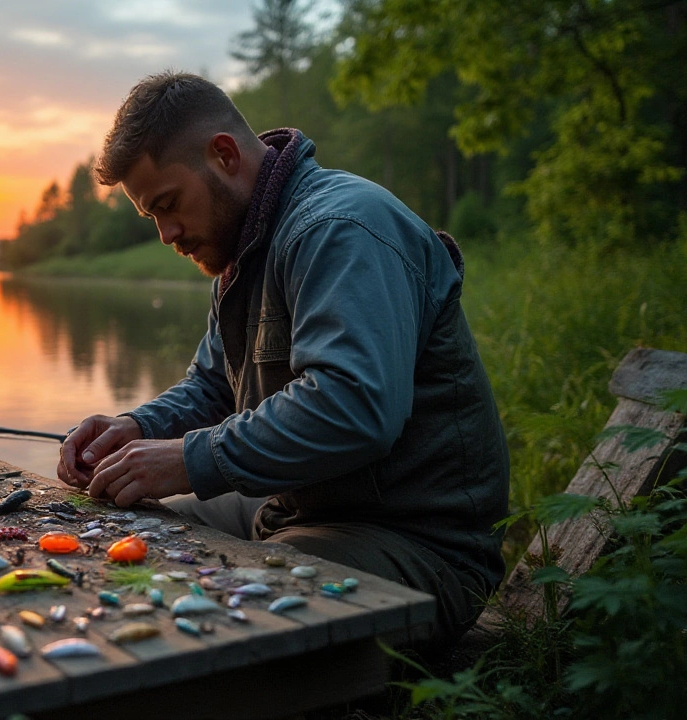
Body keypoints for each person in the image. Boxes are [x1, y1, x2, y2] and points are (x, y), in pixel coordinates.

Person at [57, 71, 510, 649]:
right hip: (297, 510)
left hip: (416, 544)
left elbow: (352, 407)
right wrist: (137, 429)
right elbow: (214, 387)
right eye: (152, 217)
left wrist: (185, 460)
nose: (168, 234)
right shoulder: (245, 245)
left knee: (221, 603)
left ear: (223, 154)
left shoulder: (340, 229)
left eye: (169, 205)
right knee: (118, 529)